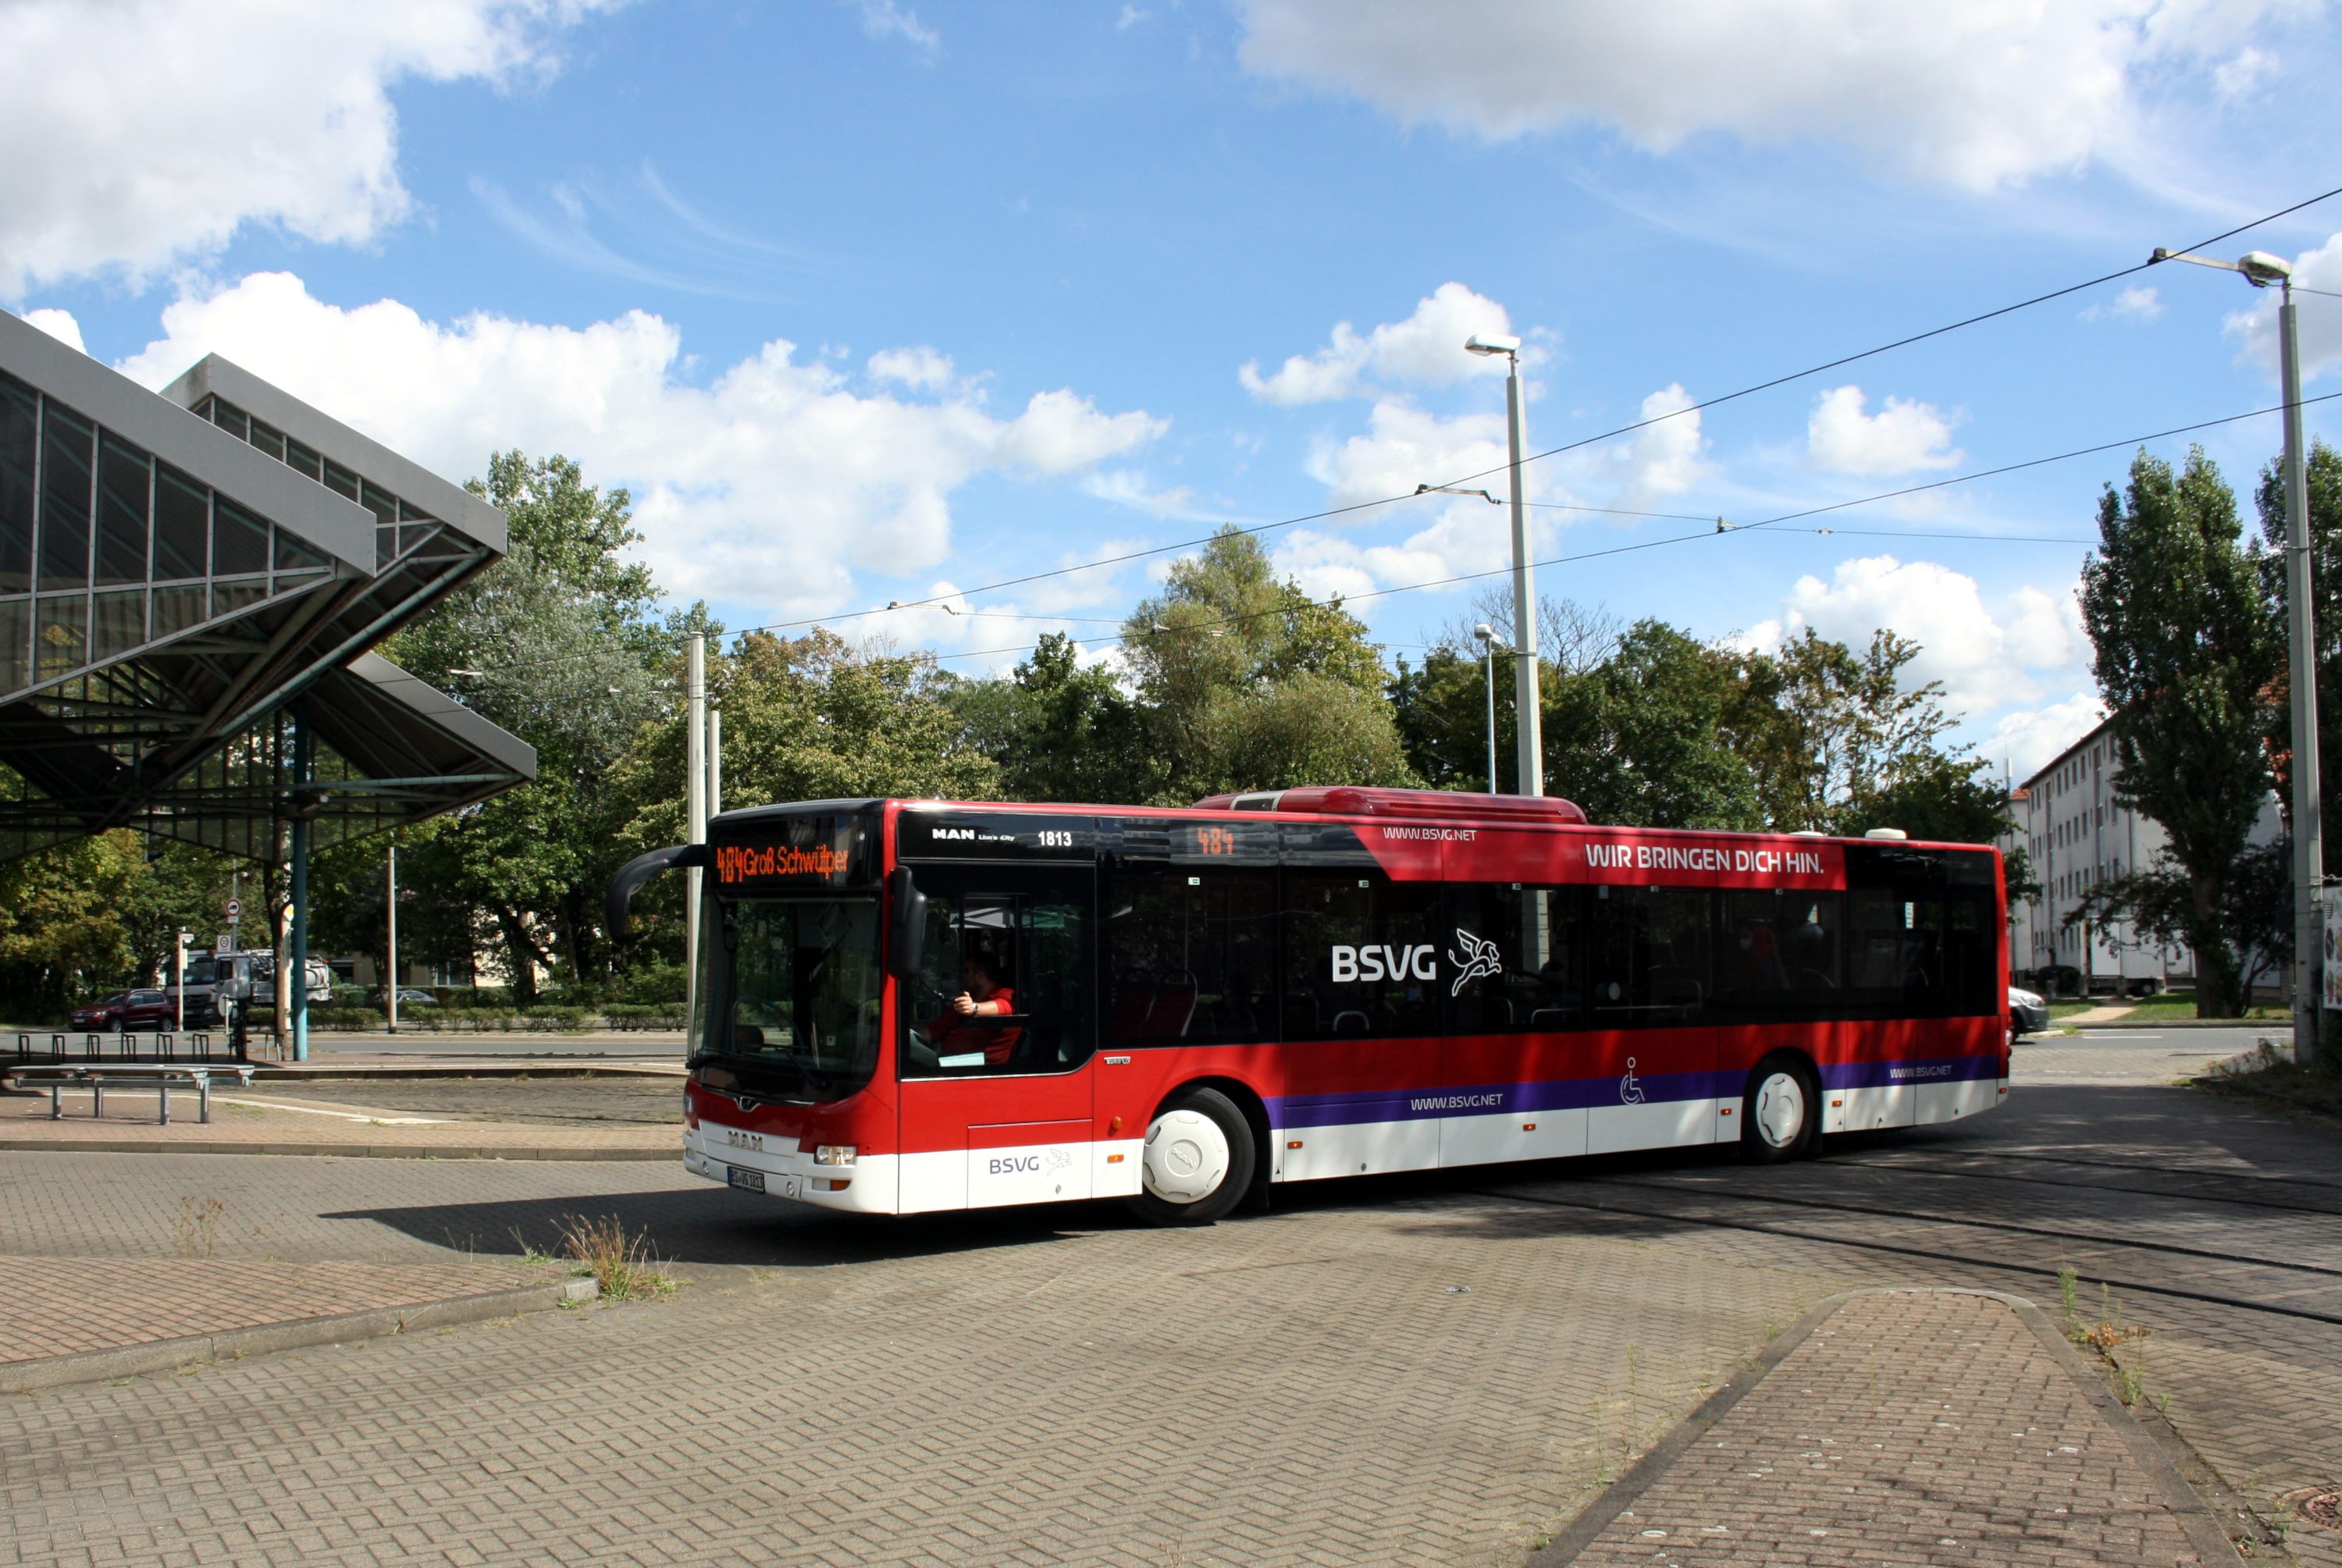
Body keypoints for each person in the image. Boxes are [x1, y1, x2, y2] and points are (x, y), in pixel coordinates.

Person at [916, 952, 1021, 1068]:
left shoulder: (1005, 994)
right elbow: (933, 1031)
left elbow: (1004, 1007)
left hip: (984, 1071)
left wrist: (974, 1008)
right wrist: (908, 1038)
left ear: (980, 976)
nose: (964, 976)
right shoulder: (965, 1001)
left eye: (967, 971)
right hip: (948, 1066)